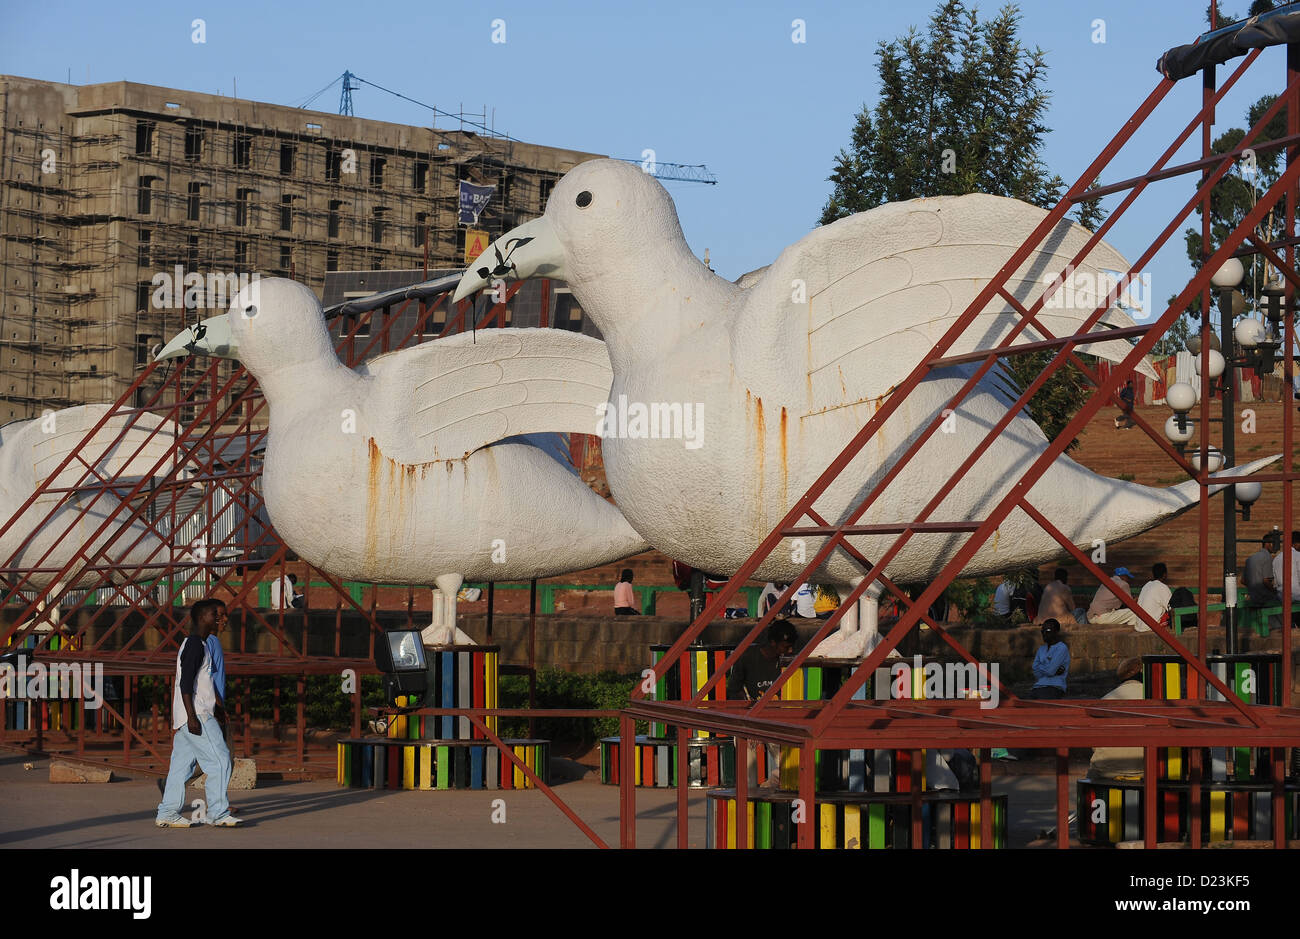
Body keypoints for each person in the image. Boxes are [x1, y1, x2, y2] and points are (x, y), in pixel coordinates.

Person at [155, 598, 241, 828]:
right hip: (197, 715)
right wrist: (193, 717)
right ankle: (218, 813)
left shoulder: (200, 645)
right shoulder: (194, 645)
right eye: (219, 615)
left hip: (191, 715)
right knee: (221, 761)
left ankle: (167, 812)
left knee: (180, 768)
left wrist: (219, 708)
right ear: (204, 617)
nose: (224, 620)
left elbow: (204, 684)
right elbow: (185, 684)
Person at [727, 619, 798, 788]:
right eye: (785, 646)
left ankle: (770, 784)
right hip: (752, 717)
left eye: (791, 646)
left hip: (778, 721)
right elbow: (733, 690)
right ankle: (750, 794)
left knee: (789, 764)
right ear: (773, 643)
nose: (790, 650)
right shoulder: (749, 657)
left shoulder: (789, 661)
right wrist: (748, 719)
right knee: (743, 744)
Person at [1087, 657, 1145, 780]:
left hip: (1107, 769)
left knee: (1092, 776)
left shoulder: (1105, 700)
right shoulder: (1155, 699)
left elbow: (1094, 742)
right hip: (1145, 768)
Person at [1028, 619, 1069, 699]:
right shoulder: (1041, 649)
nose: (1044, 633)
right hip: (1038, 686)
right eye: (1042, 631)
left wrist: (1042, 667)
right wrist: (1049, 668)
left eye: (1048, 631)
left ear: (1056, 632)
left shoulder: (1061, 648)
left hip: (1054, 687)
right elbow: (1035, 671)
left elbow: (1049, 671)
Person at [1271, 530, 1300, 627]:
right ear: (1295, 543)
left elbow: (1274, 583)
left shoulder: (1277, 558)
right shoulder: (1298, 555)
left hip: (1281, 597)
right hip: (1296, 597)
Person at [1135, 562, 1173, 633]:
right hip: (1150, 626)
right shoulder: (1163, 587)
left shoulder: (1146, 585)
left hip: (1138, 626)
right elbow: (1171, 608)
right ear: (1164, 574)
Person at [1244, 534, 1280, 607]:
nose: (1276, 547)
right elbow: (1266, 581)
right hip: (1264, 598)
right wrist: (1275, 591)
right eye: (1274, 544)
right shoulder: (1267, 557)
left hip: (1252, 596)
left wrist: (1253, 588)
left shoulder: (1250, 558)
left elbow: (1243, 581)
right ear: (1267, 544)